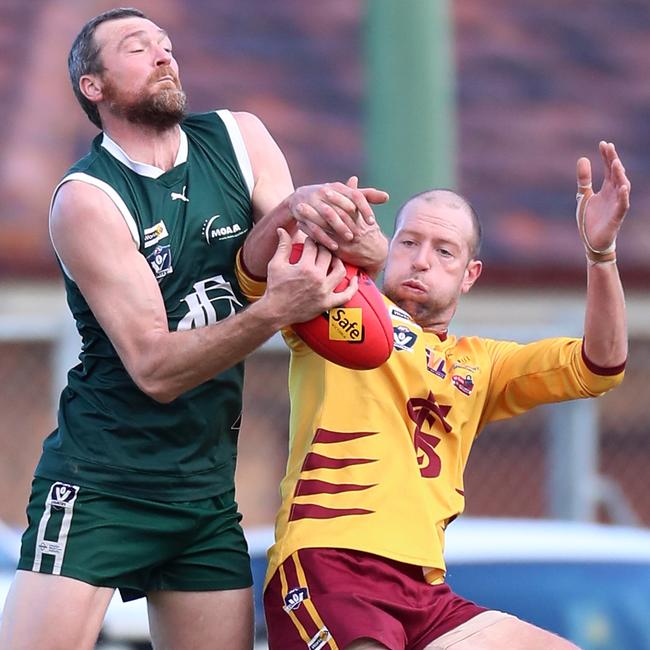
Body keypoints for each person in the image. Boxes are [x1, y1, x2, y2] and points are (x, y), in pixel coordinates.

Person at [0, 7, 389, 650]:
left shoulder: (241, 138)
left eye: (166, 44)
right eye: (136, 47)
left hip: (204, 488)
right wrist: (271, 311)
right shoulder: (88, 198)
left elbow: (300, 260)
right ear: (93, 87)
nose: (162, 55)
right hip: (102, 479)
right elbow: (154, 368)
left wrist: (349, 237)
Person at [237, 140, 630, 649]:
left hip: (425, 589)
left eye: (443, 251)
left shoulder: (483, 363)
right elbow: (252, 273)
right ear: (386, 245)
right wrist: (297, 208)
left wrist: (601, 254)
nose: (421, 261)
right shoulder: (338, 299)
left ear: (470, 276)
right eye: (408, 243)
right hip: (329, 563)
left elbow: (600, 365)